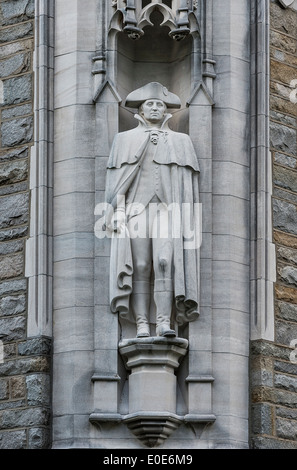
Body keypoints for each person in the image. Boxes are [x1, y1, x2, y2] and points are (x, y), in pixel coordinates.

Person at [104, 82, 200, 338]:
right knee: (142, 265)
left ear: (166, 109)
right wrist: (113, 212)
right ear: (142, 109)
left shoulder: (181, 141)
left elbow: (187, 186)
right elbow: (117, 181)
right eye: (150, 104)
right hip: (136, 210)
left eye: (159, 104)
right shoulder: (124, 140)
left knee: (164, 262)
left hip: (167, 211)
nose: (155, 108)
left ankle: (163, 322)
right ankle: (143, 324)